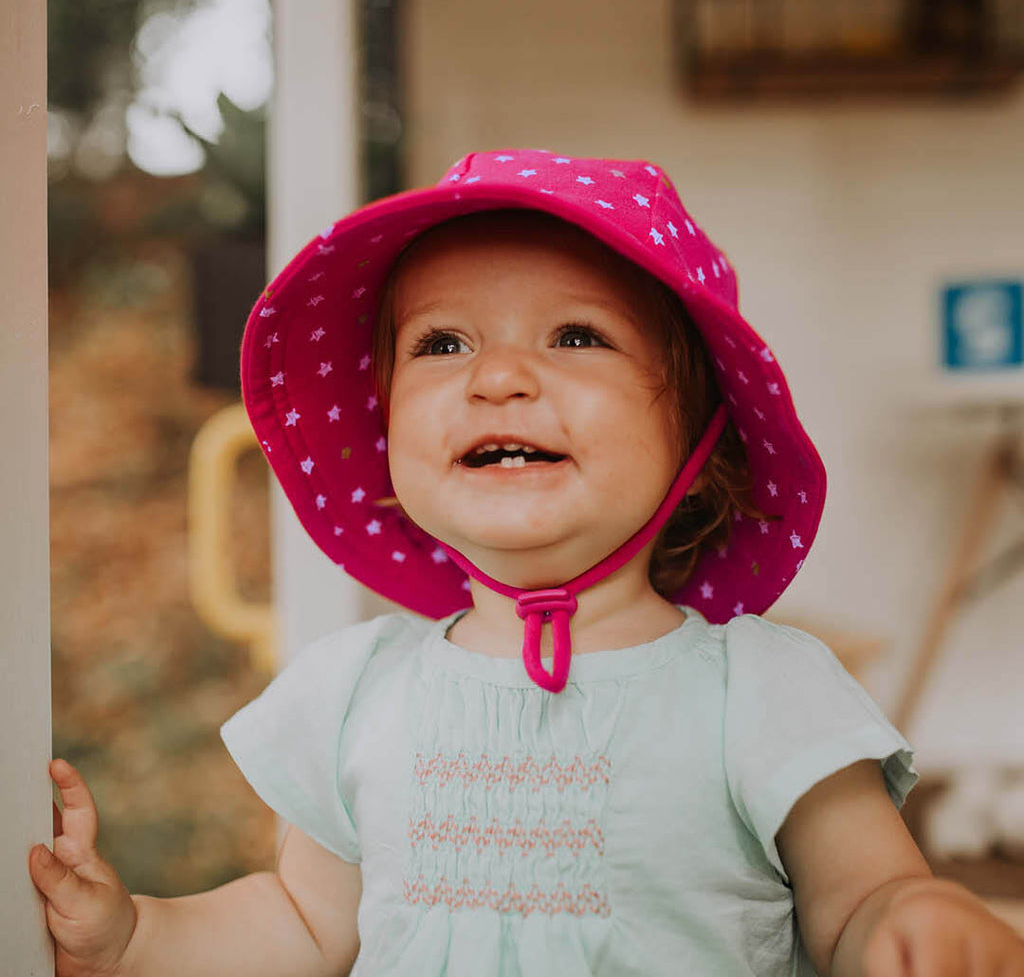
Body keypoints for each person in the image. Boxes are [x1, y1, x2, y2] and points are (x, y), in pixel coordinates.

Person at [30, 150, 1024, 976]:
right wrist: (137, 936)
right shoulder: (357, 693)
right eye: (443, 342)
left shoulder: (762, 691)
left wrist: (909, 916)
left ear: (699, 436)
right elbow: (300, 923)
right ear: (383, 432)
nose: (498, 377)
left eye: (576, 334)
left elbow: (858, 904)